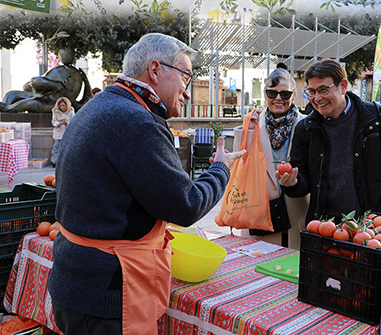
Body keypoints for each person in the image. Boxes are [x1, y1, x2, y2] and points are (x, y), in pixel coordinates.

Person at [48, 33, 244, 335]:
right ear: (155, 70)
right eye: (186, 79)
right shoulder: (138, 122)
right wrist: (221, 167)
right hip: (107, 290)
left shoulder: (97, 105)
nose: (188, 93)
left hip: (75, 279)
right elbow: (186, 205)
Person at [279, 59, 381, 223]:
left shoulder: (378, 119)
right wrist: (293, 183)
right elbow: (303, 181)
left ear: (343, 86)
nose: (317, 98)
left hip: (374, 227)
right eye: (311, 92)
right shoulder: (306, 129)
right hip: (325, 227)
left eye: (323, 90)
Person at [233, 67, 308, 249]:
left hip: (297, 208)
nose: (278, 99)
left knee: (292, 266)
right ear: (265, 94)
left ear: (294, 94)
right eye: (271, 93)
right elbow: (238, 168)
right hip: (260, 210)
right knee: (261, 264)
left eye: (285, 93)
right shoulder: (250, 126)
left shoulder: (307, 125)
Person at [51, 97, 74, 167]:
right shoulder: (55, 111)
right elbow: (53, 121)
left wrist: (66, 123)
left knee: (67, 148)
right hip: (58, 132)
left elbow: (73, 122)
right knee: (56, 147)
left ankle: (66, 162)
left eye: (63, 105)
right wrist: (59, 123)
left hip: (67, 133)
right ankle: (54, 161)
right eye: (60, 105)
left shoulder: (71, 111)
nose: (62, 107)